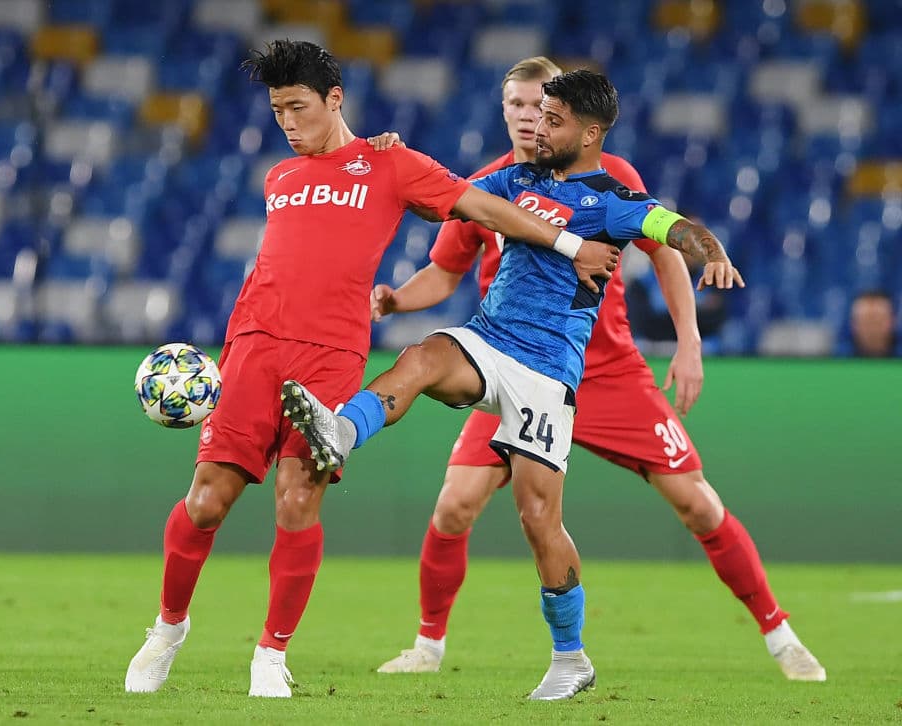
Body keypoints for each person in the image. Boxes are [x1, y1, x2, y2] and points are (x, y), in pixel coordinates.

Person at [123, 40, 622, 699]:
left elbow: (480, 207)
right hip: (251, 347)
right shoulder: (280, 178)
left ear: (335, 100)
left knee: (298, 497)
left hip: (330, 355)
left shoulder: (388, 163)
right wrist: (228, 353)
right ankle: (167, 629)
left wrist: (568, 242)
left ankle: (270, 656)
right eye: (277, 112)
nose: (288, 123)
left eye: (298, 107)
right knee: (207, 499)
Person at [283, 69, 744, 700]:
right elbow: (442, 194)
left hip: (547, 371)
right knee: (420, 360)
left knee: (537, 518)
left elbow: (674, 230)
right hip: (488, 339)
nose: (537, 126)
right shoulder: (512, 180)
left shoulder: (610, 199)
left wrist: (710, 250)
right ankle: (337, 431)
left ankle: (571, 656)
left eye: (552, 119)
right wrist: (378, 151)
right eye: (533, 113)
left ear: (590, 132)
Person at [367, 58, 825, 684]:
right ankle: (428, 645)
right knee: (454, 507)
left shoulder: (608, 181)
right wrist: (395, 299)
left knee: (697, 505)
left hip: (606, 372)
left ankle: (781, 635)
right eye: (519, 106)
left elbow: (664, 249)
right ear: (504, 111)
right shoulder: (489, 185)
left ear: (573, 122)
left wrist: (688, 340)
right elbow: (443, 272)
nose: (531, 118)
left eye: (543, 108)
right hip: (510, 363)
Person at [842, 289, 897, 357]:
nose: (872, 329)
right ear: (853, 324)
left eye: (878, 321)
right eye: (866, 322)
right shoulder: (835, 358)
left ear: (892, 321)